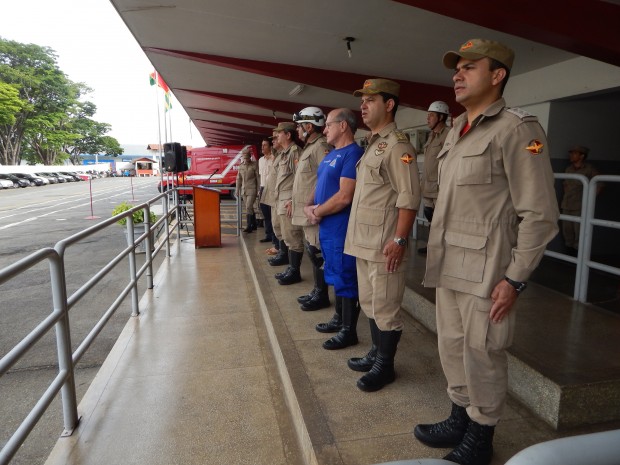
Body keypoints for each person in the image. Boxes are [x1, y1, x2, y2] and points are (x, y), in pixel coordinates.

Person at [414, 39, 559, 465]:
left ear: (497, 76)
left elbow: (540, 215)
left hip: (488, 269)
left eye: (469, 68)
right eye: (456, 69)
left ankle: (481, 435)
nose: (457, 75)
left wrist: (515, 278)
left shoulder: (517, 129)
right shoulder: (457, 129)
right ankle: (459, 417)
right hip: (449, 261)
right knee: (452, 346)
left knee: (483, 352)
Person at [344, 78, 421, 392]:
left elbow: (409, 196)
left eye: (370, 100)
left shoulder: (398, 145)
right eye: (362, 101)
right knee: (370, 303)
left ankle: (385, 367)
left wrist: (400, 239)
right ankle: (376, 353)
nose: (363, 106)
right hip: (363, 242)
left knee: (386, 309)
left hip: (384, 244)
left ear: (389, 105)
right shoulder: (373, 144)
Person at [305, 108, 364, 348]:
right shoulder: (331, 154)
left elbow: (344, 196)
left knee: (345, 276)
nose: (325, 129)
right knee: (334, 273)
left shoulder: (353, 153)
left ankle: (348, 331)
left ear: (343, 126)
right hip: (327, 227)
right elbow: (320, 182)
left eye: (328, 124)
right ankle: (339, 319)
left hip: (341, 227)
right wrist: (308, 205)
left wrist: (317, 211)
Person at [291, 107, 332, 308]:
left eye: (299, 126)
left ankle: (322, 295)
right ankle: (317, 290)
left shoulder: (321, 147)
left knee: (318, 255)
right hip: (307, 212)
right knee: (312, 252)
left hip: (315, 212)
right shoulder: (309, 147)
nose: (297, 130)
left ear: (309, 127)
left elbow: (326, 179)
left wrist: (316, 208)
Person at [272, 122, 304, 285]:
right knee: (286, 236)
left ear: (288, 135)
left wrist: (293, 200)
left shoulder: (294, 152)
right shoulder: (284, 153)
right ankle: (291, 268)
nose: (277, 136)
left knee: (293, 236)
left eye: (279, 133)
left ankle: (295, 271)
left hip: (288, 201)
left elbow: (300, 179)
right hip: (281, 200)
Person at [418, 101, 450, 254]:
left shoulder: (449, 134)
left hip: (439, 187)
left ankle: (441, 248)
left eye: (431, 115)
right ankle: (432, 246)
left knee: (441, 220)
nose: (428, 118)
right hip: (427, 186)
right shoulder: (431, 136)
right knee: (429, 215)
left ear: (441, 117)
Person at [560, 144, 601, 254]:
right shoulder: (568, 169)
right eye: (571, 153)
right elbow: (565, 185)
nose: (571, 155)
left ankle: (577, 258)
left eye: (574, 153)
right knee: (567, 231)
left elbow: (599, 183)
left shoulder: (589, 169)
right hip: (566, 205)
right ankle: (568, 257)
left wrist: (589, 200)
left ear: (582, 156)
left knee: (579, 232)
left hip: (580, 206)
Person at [235, 149, 260, 233]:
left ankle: (249, 226)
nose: (246, 159)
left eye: (247, 158)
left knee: (248, 206)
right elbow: (238, 179)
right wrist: (237, 189)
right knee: (249, 207)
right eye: (245, 158)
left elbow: (258, 177)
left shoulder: (254, 165)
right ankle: (254, 225)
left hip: (252, 189)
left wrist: (259, 189)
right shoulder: (241, 166)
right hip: (244, 190)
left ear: (250, 157)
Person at [258, 138, 276, 244]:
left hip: (272, 188)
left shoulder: (274, 158)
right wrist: (259, 190)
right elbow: (261, 176)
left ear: (270, 147)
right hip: (263, 188)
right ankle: (268, 234)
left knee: (272, 213)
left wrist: (272, 157)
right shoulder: (260, 160)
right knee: (265, 214)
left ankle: (275, 236)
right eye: (262, 145)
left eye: (265, 145)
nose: (262, 147)